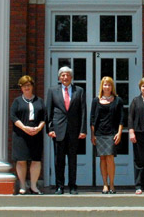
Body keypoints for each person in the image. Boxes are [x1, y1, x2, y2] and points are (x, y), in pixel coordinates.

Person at [46, 66, 87, 195]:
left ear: (71, 77)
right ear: (59, 77)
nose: (65, 77)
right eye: (63, 75)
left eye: (67, 75)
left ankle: (73, 186)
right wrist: (50, 128)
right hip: (58, 131)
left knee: (72, 160)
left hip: (74, 131)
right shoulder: (53, 91)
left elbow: (83, 112)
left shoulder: (79, 91)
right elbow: (49, 111)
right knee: (59, 160)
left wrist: (83, 130)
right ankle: (59, 186)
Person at [10, 75, 47, 195]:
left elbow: (44, 117)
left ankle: (33, 186)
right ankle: (22, 185)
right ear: (21, 87)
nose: (27, 87)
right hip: (21, 135)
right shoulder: (17, 101)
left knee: (36, 160)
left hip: (36, 135)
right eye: (24, 85)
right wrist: (24, 128)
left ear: (32, 86)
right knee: (21, 160)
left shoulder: (39, 101)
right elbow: (13, 116)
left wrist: (39, 128)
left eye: (29, 85)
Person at [90, 76, 125, 194]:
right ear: (102, 86)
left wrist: (119, 133)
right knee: (102, 158)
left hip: (112, 133)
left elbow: (121, 118)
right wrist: (92, 134)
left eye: (109, 85)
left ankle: (112, 184)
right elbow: (92, 119)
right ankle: (104, 184)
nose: (107, 87)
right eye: (105, 84)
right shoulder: (96, 100)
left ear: (112, 87)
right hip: (99, 133)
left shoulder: (117, 100)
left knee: (110, 158)